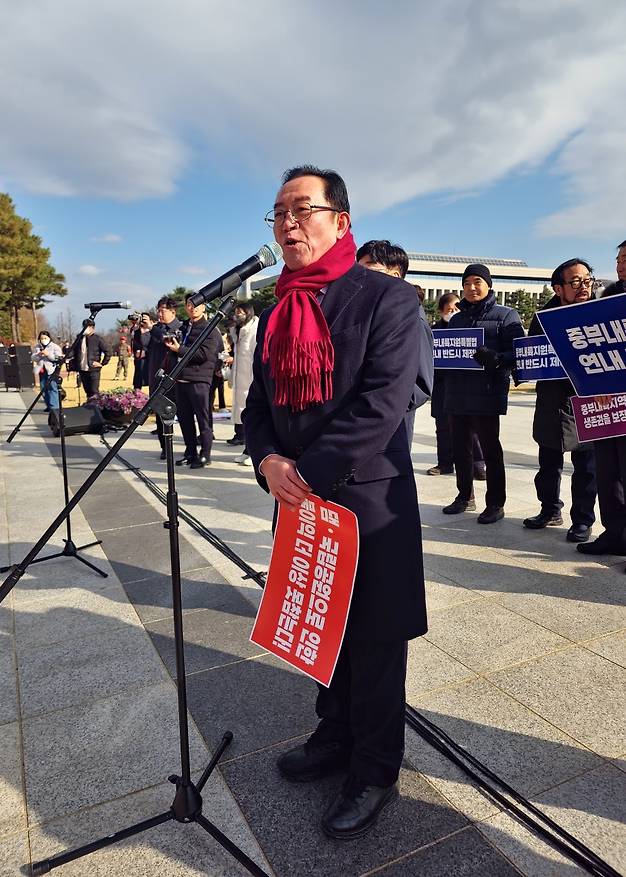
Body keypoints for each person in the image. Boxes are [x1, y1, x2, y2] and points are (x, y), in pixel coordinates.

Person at [243, 165, 426, 839]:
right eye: (278, 213)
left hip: (367, 503)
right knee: (323, 628)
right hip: (298, 498)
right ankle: (335, 731)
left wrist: (307, 471)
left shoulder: (388, 301)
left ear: (341, 221)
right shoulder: (273, 311)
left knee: (375, 639)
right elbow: (258, 408)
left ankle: (375, 767)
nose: (288, 224)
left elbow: (382, 404)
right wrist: (267, 460)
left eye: (302, 209)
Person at [442, 263, 525, 524]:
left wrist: (497, 359)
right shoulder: (456, 318)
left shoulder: (506, 315)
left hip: (487, 393)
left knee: (490, 451)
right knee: (460, 449)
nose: (471, 288)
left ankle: (495, 503)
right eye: (466, 283)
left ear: (489, 285)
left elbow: (518, 352)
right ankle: (464, 496)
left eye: (477, 282)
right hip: (457, 392)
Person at [523, 259, 597, 542]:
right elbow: (532, 357)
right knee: (548, 463)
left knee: (587, 467)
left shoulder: (598, 313)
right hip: (552, 400)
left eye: (588, 280)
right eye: (575, 281)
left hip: (588, 401)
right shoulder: (543, 318)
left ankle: (583, 520)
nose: (584, 286)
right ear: (558, 288)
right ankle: (550, 509)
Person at [355, 239, 433, 450]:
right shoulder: (360, 313)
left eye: (370, 269)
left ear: (395, 276)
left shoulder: (412, 317)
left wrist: (380, 408)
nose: (360, 277)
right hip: (354, 426)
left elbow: (421, 385)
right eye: (357, 269)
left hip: (389, 428)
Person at [578, 239, 626, 569]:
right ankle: (614, 534)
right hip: (606, 405)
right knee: (608, 472)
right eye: (619, 259)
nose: (621, 265)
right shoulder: (607, 298)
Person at [427, 293, 486, 478]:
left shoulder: (469, 329)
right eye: (449, 310)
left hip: (464, 387)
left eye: (455, 309)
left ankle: (478, 464)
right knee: (443, 428)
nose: (452, 313)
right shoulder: (433, 332)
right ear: (441, 311)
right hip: (441, 388)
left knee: (472, 428)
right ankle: (444, 463)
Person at [164, 294, 222, 468]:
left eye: (197, 304)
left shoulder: (209, 328)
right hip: (181, 380)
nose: (193, 307)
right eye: (189, 304)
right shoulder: (183, 327)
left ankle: (205, 454)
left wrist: (179, 349)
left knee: (203, 419)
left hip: (199, 380)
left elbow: (204, 355)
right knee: (185, 419)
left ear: (204, 307)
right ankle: (190, 452)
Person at [147, 297, 182, 459]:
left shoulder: (179, 326)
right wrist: (141, 330)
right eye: (158, 310)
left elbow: (166, 338)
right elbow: (142, 343)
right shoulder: (156, 328)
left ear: (173, 311)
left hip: (174, 377)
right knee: (161, 415)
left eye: (163, 310)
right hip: (156, 377)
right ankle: (165, 447)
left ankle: (191, 447)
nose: (159, 313)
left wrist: (152, 328)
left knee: (180, 413)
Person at [227, 300, 259, 466]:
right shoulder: (237, 331)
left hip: (253, 382)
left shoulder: (255, 329)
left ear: (249, 312)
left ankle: (254, 453)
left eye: (241, 312)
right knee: (244, 418)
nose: (237, 315)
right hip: (241, 382)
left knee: (254, 419)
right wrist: (232, 377)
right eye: (236, 312)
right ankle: (247, 450)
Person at [71, 319, 110, 398]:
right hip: (82, 369)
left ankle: (96, 407)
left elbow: (108, 351)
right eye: (84, 326)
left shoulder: (98, 339)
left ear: (92, 328)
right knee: (87, 391)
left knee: (94, 391)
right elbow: (73, 351)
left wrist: (102, 363)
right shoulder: (79, 338)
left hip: (93, 369)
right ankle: (89, 406)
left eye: (87, 327)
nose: (85, 329)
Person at [31, 331, 64, 415]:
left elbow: (58, 358)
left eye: (45, 338)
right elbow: (33, 357)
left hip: (52, 370)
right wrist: (39, 355)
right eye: (41, 338)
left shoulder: (55, 347)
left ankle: (55, 408)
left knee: (53, 388)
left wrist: (48, 354)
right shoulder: (37, 347)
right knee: (43, 388)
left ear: (49, 338)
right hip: (42, 370)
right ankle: (49, 405)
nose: (43, 340)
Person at [132, 312, 153, 389]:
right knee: (138, 381)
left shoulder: (153, 331)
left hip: (150, 360)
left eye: (145, 320)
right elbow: (135, 344)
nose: (143, 322)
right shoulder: (136, 332)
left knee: (151, 381)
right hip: (139, 360)